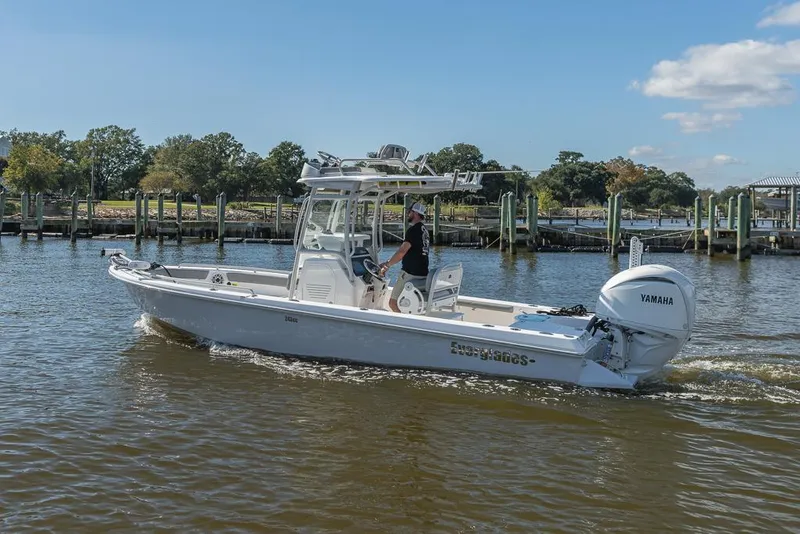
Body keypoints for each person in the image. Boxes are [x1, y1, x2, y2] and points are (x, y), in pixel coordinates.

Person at [379, 202, 430, 312]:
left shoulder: (413, 230)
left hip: (410, 274)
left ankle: (403, 322)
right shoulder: (424, 230)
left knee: (393, 303)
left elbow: (402, 252)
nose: (408, 214)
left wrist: (387, 265)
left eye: (409, 211)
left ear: (415, 213)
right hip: (422, 274)